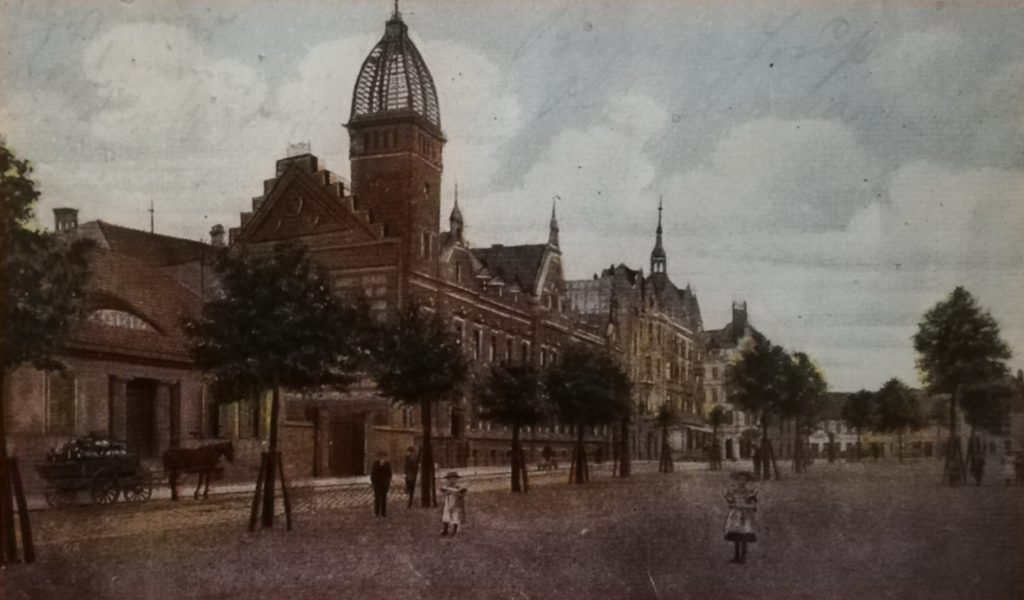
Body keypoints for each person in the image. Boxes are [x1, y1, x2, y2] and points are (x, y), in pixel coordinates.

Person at [724, 471, 758, 564]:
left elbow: (753, 506)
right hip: (735, 515)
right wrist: (732, 504)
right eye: (740, 479)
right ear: (737, 480)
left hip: (745, 516)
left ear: (747, 481)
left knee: (744, 535)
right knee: (736, 535)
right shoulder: (733, 491)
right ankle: (736, 556)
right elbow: (730, 503)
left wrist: (742, 506)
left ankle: (743, 556)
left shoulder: (750, 492)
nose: (742, 482)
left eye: (744, 480)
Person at [440, 471, 467, 537]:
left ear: (456, 479)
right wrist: (447, 491)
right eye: (450, 479)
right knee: (446, 515)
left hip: (456, 503)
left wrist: (460, 492)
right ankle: (445, 530)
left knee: (456, 516)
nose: (452, 480)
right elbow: (444, 492)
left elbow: (462, 493)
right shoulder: (446, 487)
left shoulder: (459, 487)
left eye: (454, 478)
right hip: (448, 502)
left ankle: (455, 531)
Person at [370, 451, 392, 518]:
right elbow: (373, 474)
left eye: (383, 456)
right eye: (380, 456)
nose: (382, 457)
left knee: (384, 498)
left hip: (384, 484)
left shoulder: (387, 464)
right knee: (377, 498)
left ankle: (383, 512)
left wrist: (388, 482)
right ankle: (376, 512)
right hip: (377, 483)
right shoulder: (375, 464)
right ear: (378, 457)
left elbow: (389, 474)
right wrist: (373, 482)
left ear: (385, 457)